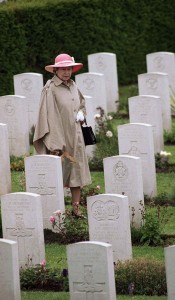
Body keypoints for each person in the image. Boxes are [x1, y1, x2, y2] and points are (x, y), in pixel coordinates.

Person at [33, 53, 91, 217]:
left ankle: (76, 210)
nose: (66, 72)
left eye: (69, 68)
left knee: (76, 175)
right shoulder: (50, 88)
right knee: (58, 175)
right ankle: (54, 211)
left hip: (76, 137)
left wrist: (81, 113)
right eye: (63, 69)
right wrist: (56, 143)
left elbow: (81, 104)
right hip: (60, 139)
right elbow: (48, 115)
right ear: (56, 70)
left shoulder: (73, 85)